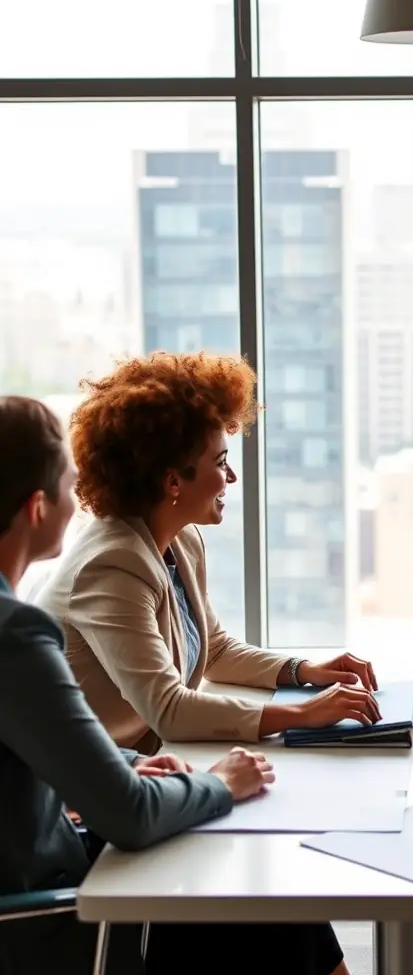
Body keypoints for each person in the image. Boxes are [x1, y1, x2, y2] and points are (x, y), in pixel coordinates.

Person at [0, 395, 352, 975]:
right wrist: (221, 784)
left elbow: (14, 761)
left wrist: (114, 764)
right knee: (263, 893)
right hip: (51, 914)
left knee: (272, 891)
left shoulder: (174, 544)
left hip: (57, 845)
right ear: (38, 507)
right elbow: (129, 812)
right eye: (68, 483)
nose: (80, 499)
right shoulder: (18, 632)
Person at [35, 352, 380, 754]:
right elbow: (169, 709)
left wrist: (303, 671)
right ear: (172, 481)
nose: (231, 477)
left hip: (142, 759)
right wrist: (302, 715)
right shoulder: (111, 566)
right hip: (77, 786)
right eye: (220, 462)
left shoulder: (181, 541)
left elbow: (214, 649)